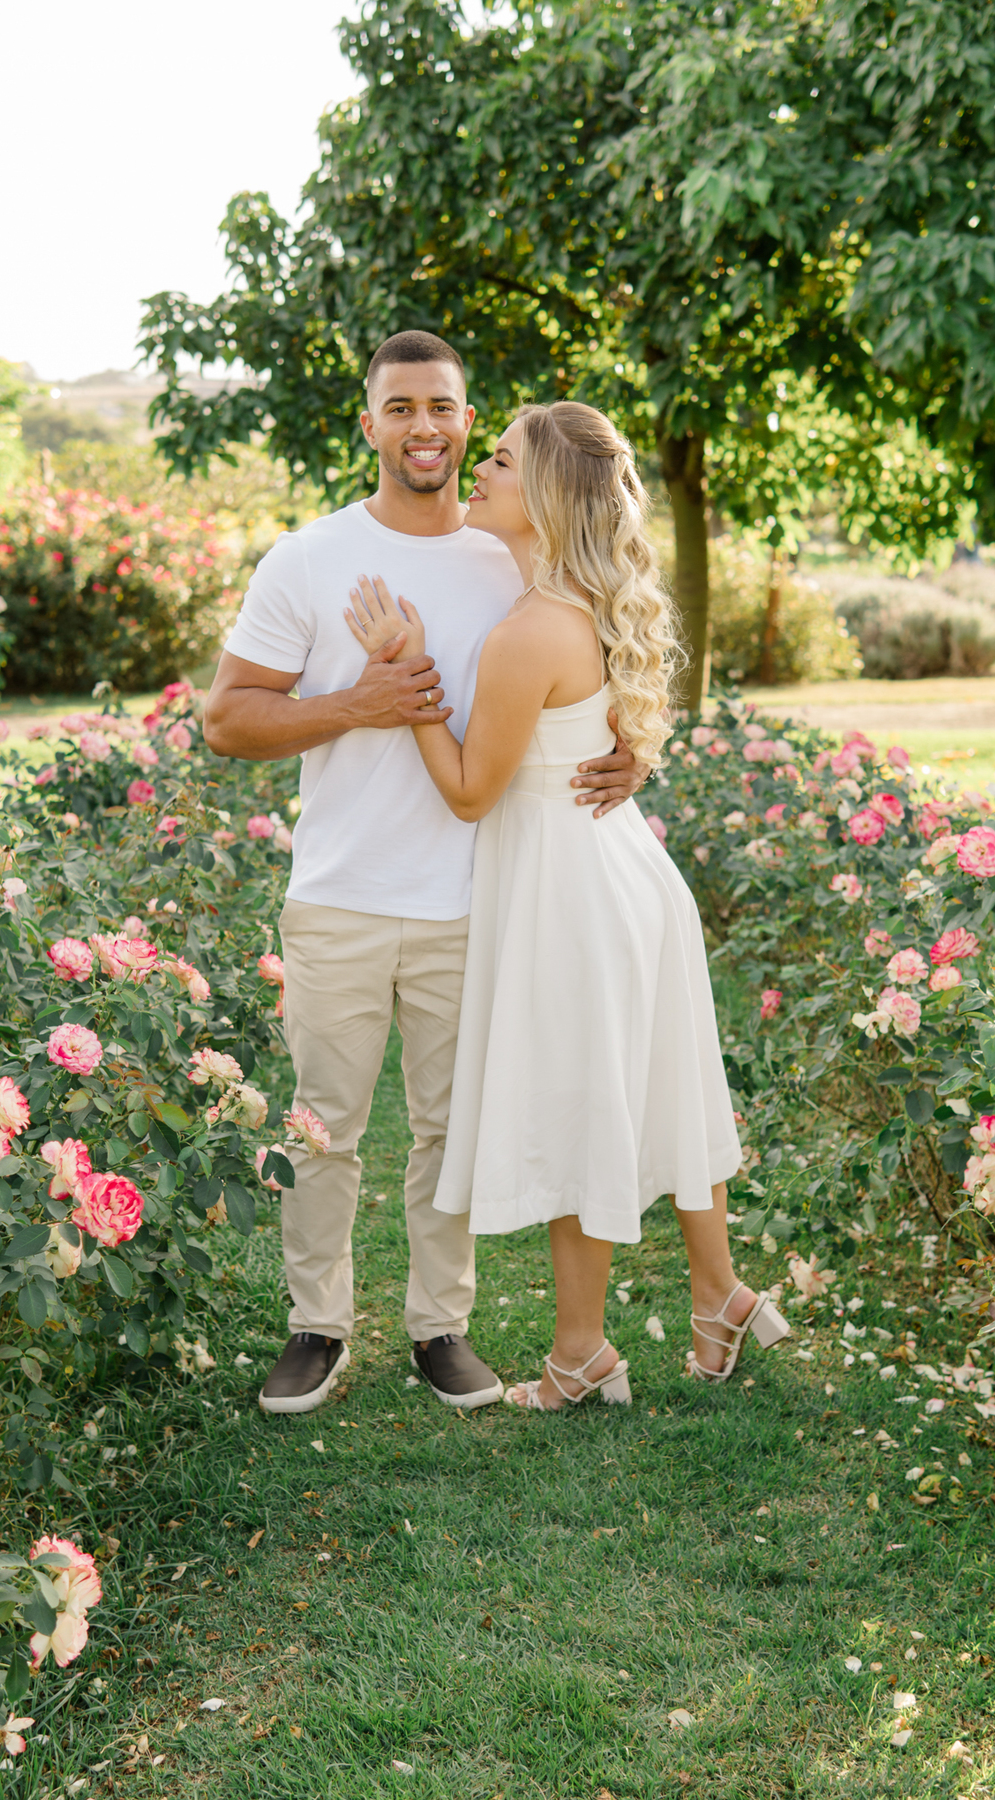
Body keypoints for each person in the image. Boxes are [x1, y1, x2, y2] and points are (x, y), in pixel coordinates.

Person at [203, 333, 646, 1415]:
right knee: (325, 1127)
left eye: (442, 408)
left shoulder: (513, 553)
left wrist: (633, 743)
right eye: (399, 408)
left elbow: (606, 650)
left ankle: (440, 1326)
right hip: (341, 894)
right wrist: (360, 702)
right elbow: (226, 719)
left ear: (465, 419)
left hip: (476, 896)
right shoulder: (307, 559)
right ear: (370, 426)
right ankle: (317, 1327)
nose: (424, 428)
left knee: (451, 1129)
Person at [344, 401, 789, 1409]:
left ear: (541, 495)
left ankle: (582, 1355)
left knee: (584, 1105)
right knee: (661, 1091)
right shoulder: (578, 600)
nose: (481, 472)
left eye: (499, 461)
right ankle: (715, 1295)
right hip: (622, 873)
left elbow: (468, 792)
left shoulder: (528, 630)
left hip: (570, 889)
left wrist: (404, 680)